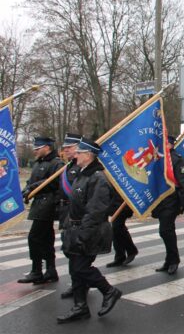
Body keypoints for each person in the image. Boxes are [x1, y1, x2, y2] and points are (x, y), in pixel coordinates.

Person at [57, 138, 121, 324]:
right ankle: (80, 307)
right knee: (74, 269)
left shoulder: (98, 178)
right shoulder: (82, 174)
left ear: (88, 155)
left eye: (79, 152)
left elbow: (95, 211)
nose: (74, 155)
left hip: (89, 231)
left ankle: (109, 291)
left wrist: (83, 234)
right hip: (75, 228)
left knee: (81, 268)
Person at [18, 136, 64, 285]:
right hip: (39, 204)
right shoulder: (38, 163)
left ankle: (36, 270)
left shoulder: (57, 163)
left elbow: (55, 181)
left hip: (49, 204)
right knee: (46, 239)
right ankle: (51, 270)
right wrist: (26, 189)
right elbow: (31, 182)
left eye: (38, 148)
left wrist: (33, 187)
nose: (35, 151)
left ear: (47, 147)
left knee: (34, 237)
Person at [151, 135, 184, 275]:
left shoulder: (177, 160)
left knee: (165, 230)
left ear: (170, 145)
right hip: (160, 200)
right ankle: (169, 260)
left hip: (172, 200)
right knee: (165, 231)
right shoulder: (158, 159)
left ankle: (174, 260)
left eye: (165, 144)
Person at [57, 133, 82, 299]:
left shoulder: (80, 167)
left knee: (75, 252)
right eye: (65, 148)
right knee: (68, 250)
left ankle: (80, 285)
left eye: (69, 148)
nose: (65, 150)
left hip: (75, 213)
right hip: (65, 212)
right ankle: (77, 284)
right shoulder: (68, 166)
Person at [106, 197, 138, 268]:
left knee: (117, 227)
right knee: (115, 230)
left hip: (123, 204)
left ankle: (131, 250)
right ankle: (120, 257)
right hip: (114, 204)